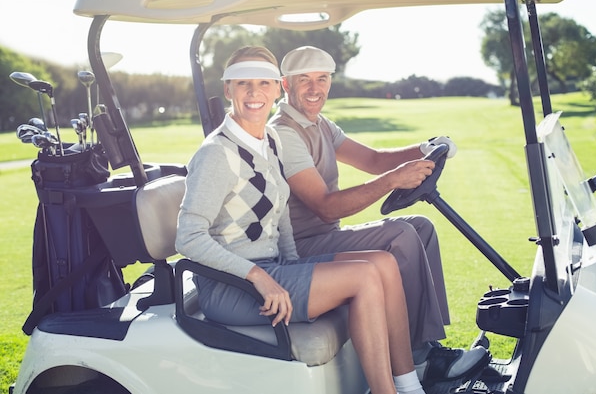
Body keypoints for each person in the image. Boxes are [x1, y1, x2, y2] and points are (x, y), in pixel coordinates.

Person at [176, 46, 425, 394]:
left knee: (383, 263)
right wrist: (260, 277)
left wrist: (294, 267)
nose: (254, 93)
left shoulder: (270, 142)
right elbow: (188, 237)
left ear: (277, 89)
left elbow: (282, 218)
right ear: (229, 91)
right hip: (232, 286)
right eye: (243, 84)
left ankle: (410, 384)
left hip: (273, 269)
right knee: (366, 274)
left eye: (263, 83)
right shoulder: (217, 153)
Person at [268, 46, 490, 385]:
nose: (315, 89)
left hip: (323, 237)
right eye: (305, 80)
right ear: (286, 84)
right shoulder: (284, 131)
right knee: (401, 234)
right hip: (300, 250)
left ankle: (426, 348)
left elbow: (371, 159)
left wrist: (424, 148)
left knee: (420, 227)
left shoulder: (320, 124)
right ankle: (417, 360)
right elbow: (326, 206)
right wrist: (393, 181)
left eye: (322, 79)